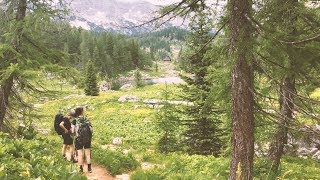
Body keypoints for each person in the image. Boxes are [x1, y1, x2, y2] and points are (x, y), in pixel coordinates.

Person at [72, 107, 93, 173]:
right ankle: (89, 168)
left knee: (80, 154)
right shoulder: (86, 119)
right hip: (87, 138)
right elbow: (91, 129)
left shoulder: (74, 120)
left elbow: (72, 131)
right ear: (82, 112)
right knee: (88, 154)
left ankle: (81, 169)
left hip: (78, 139)